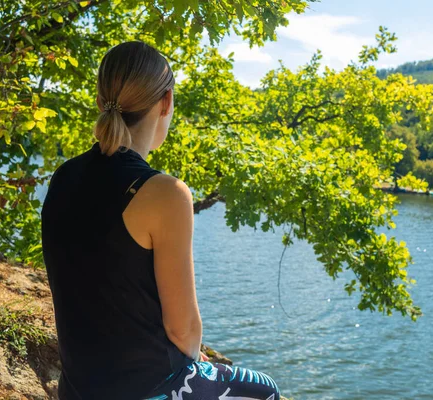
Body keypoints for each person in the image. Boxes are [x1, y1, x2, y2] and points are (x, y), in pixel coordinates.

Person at [41, 41, 280, 400]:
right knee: (265, 391)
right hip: (144, 391)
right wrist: (192, 359)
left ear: (98, 101)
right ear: (165, 101)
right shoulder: (164, 193)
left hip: (77, 389)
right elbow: (183, 331)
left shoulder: (63, 177)